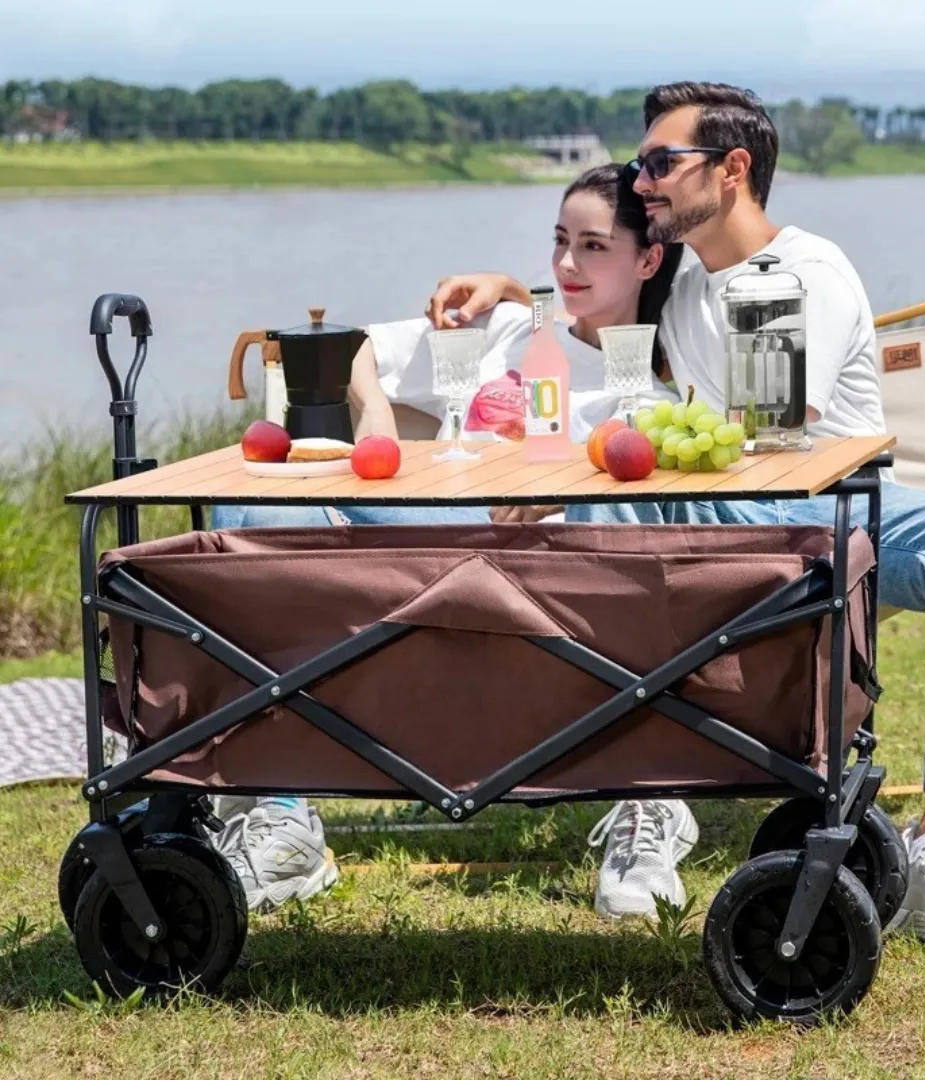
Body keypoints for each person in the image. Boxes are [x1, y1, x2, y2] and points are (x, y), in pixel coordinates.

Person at [424, 82, 925, 959]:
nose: (642, 182)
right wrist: (516, 293)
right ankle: (646, 798)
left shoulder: (805, 273)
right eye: (639, 165)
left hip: (840, 510)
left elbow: (768, 431)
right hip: (719, 508)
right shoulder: (680, 277)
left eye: (660, 164)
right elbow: (599, 285)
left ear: (732, 169)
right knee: (609, 490)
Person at [206, 163, 682, 913]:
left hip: (545, 592)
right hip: (435, 543)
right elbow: (358, 346)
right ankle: (280, 814)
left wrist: (565, 488)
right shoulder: (509, 331)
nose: (566, 263)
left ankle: (647, 800)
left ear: (648, 260)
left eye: (593, 246)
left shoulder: (651, 394)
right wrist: (378, 422)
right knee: (254, 509)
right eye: (560, 240)